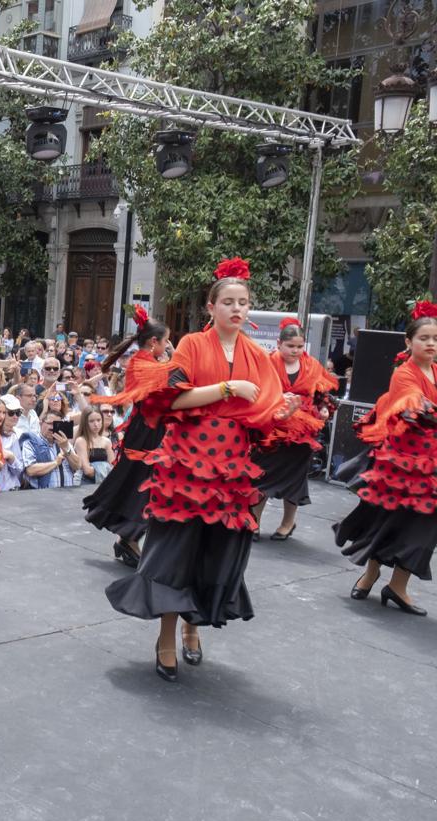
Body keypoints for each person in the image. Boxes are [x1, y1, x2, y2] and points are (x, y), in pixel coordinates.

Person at [105, 258, 290, 682]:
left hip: (230, 468)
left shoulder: (257, 356)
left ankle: (193, 626)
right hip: (187, 464)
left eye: (243, 302)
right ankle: (167, 635)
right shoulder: (191, 345)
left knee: (213, 552)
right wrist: (227, 389)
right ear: (212, 306)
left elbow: (264, 412)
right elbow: (171, 401)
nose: (237, 309)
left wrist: (283, 411)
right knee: (175, 552)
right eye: (228, 302)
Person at [337, 302, 437, 615]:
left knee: (423, 528)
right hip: (402, 464)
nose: (431, 343)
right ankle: (370, 574)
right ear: (409, 342)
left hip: (431, 468)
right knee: (388, 520)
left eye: (435, 338)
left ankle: (398, 586)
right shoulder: (403, 375)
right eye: (425, 338)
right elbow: (415, 408)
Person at [82, 308, 173, 567]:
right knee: (141, 483)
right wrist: (175, 360)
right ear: (154, 342)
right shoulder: (144, 364)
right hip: (147, 431)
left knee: (140, 482)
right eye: (165, 341)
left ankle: (128, 538)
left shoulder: (147, 362)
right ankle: (129, 538)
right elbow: (168, 385)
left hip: (148, 429)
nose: (168, 345)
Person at [251, 318, 338, 541]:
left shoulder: (313, 366)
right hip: (272, 428)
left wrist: (324, 409)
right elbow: (256, 390)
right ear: (279, 344)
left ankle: (288, 523)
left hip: (302, 433)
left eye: (300, 346)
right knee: (261, 475)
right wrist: (277, 397)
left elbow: (322, 394)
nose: (296, 350)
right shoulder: (266, 362)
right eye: (291, 346)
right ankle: (255, 520)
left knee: (295, 477)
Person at [73, 407, 114, 485]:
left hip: (103, 484)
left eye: (98, 420)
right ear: (85, 423)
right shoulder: (81, 441)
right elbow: (87, 471)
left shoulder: (107, 441)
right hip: (84, 483)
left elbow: (113, 467)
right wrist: (105, 468)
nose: (96, 424)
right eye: (91, 421)